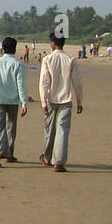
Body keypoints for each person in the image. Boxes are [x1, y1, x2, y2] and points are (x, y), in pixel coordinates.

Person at [39, 32, 84, 172]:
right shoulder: (70, 59)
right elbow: (77, 83)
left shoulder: (47, 59)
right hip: (66, 100)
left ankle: (47, 157)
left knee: (49, 130)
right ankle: (58, 161)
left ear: (52, 43)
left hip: (52, 100)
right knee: (62, 132)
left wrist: (43, 102)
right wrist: (79, 101)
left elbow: (44, 83)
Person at [0, 37, 28, 167]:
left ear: (3, 48)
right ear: (14, 49)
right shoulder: (18, 64)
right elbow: (21, 85)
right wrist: (24, 102)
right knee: (11, 127)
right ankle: (8, 153)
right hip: (13, 100)